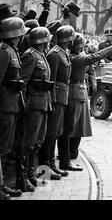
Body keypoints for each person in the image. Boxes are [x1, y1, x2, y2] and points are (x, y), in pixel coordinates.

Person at [57, 33, 112, 171]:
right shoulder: (75, 57)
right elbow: (94, 57)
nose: (83, 46)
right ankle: (65, 159)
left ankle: (69, 155)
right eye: (81, 44)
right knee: (69, 128)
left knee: (75, 127)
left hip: (78, 91)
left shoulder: (74, 55)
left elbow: (91, 67)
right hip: (74, 92)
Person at [38, 25, 76, 180]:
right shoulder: (54, 54)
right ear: (68, 39)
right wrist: (52, 101)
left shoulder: (62, 53)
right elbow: (51, 80)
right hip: (55, 99)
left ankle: (52, 164)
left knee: (56, 132)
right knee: (50, 134)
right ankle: (45, 169)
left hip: (62, 97)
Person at [20, 27, 53, 189]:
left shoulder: (42, 55)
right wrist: (25, 104)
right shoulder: (31, 56)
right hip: (33, 105)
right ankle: (24, 176)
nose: (49, 43)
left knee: (38, 141)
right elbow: (23, 83)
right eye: (47, 40)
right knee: (29, 142)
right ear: (43, 41)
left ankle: (31, 174)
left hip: (43, 103)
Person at [0, 17, 27, 199]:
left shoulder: (13, 51)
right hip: (4, 105)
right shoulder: (4, 51)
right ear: (16, 34)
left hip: (12, 105)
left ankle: (2, 184)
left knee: (6, 146)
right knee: (1, 146)